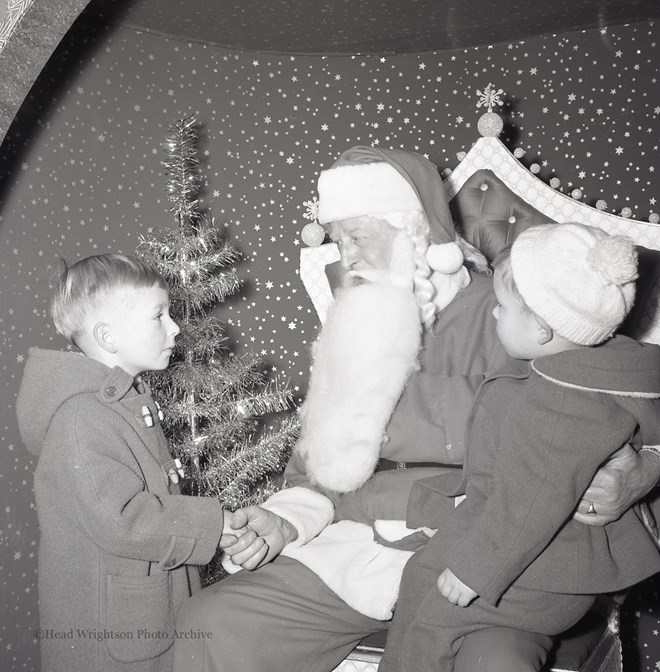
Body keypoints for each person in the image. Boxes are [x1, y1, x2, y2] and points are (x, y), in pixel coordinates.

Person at [174, 147, 660, 672]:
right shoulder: (352, 325)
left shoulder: (517, 316)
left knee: (492, 663)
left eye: (359, 237)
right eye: (338, 241)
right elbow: (315, 468)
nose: (348, 258)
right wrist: (285, 520)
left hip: (486, 552)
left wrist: (648, 468)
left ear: (411, 230)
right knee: (212, 624)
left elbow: (619, 399)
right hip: (355, 538)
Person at [15, 253, 332, 672]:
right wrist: (213, 525)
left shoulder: (120, 403)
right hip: (110, 640)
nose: (175, 327)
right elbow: (122, 519)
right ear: (108, 338)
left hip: (140, 616)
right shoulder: (83, 419)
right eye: (158, 316)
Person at [379, 223, 660, 672]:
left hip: (543, 570)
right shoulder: (611, 368)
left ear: (544, 329)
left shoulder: (559, 402)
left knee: (432, 624)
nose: (493, 316)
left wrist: (475, 570)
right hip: (543, 555)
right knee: (419, 578)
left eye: (503, 308)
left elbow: (528, 506)